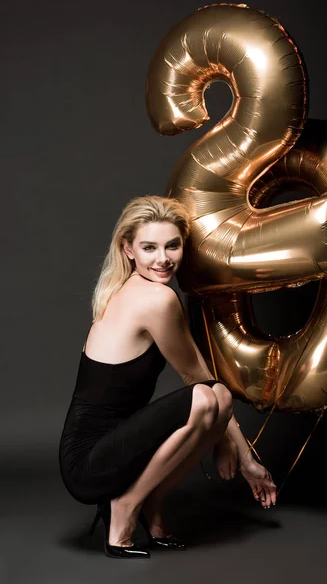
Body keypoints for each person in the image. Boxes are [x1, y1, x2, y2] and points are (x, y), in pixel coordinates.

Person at [58, 194, 276, 559]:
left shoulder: (141, 290)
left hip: (117, 451)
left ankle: (149, 505)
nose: (163, 259)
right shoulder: (155, 301)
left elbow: (200, 374)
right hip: (90, 463)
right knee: (209, 398)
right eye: (149, 247)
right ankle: (125, 508)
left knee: (213, 397)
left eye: (172, 246)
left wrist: (229, 444)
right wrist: (241, 454)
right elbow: (199, 380)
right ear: (127, 248)